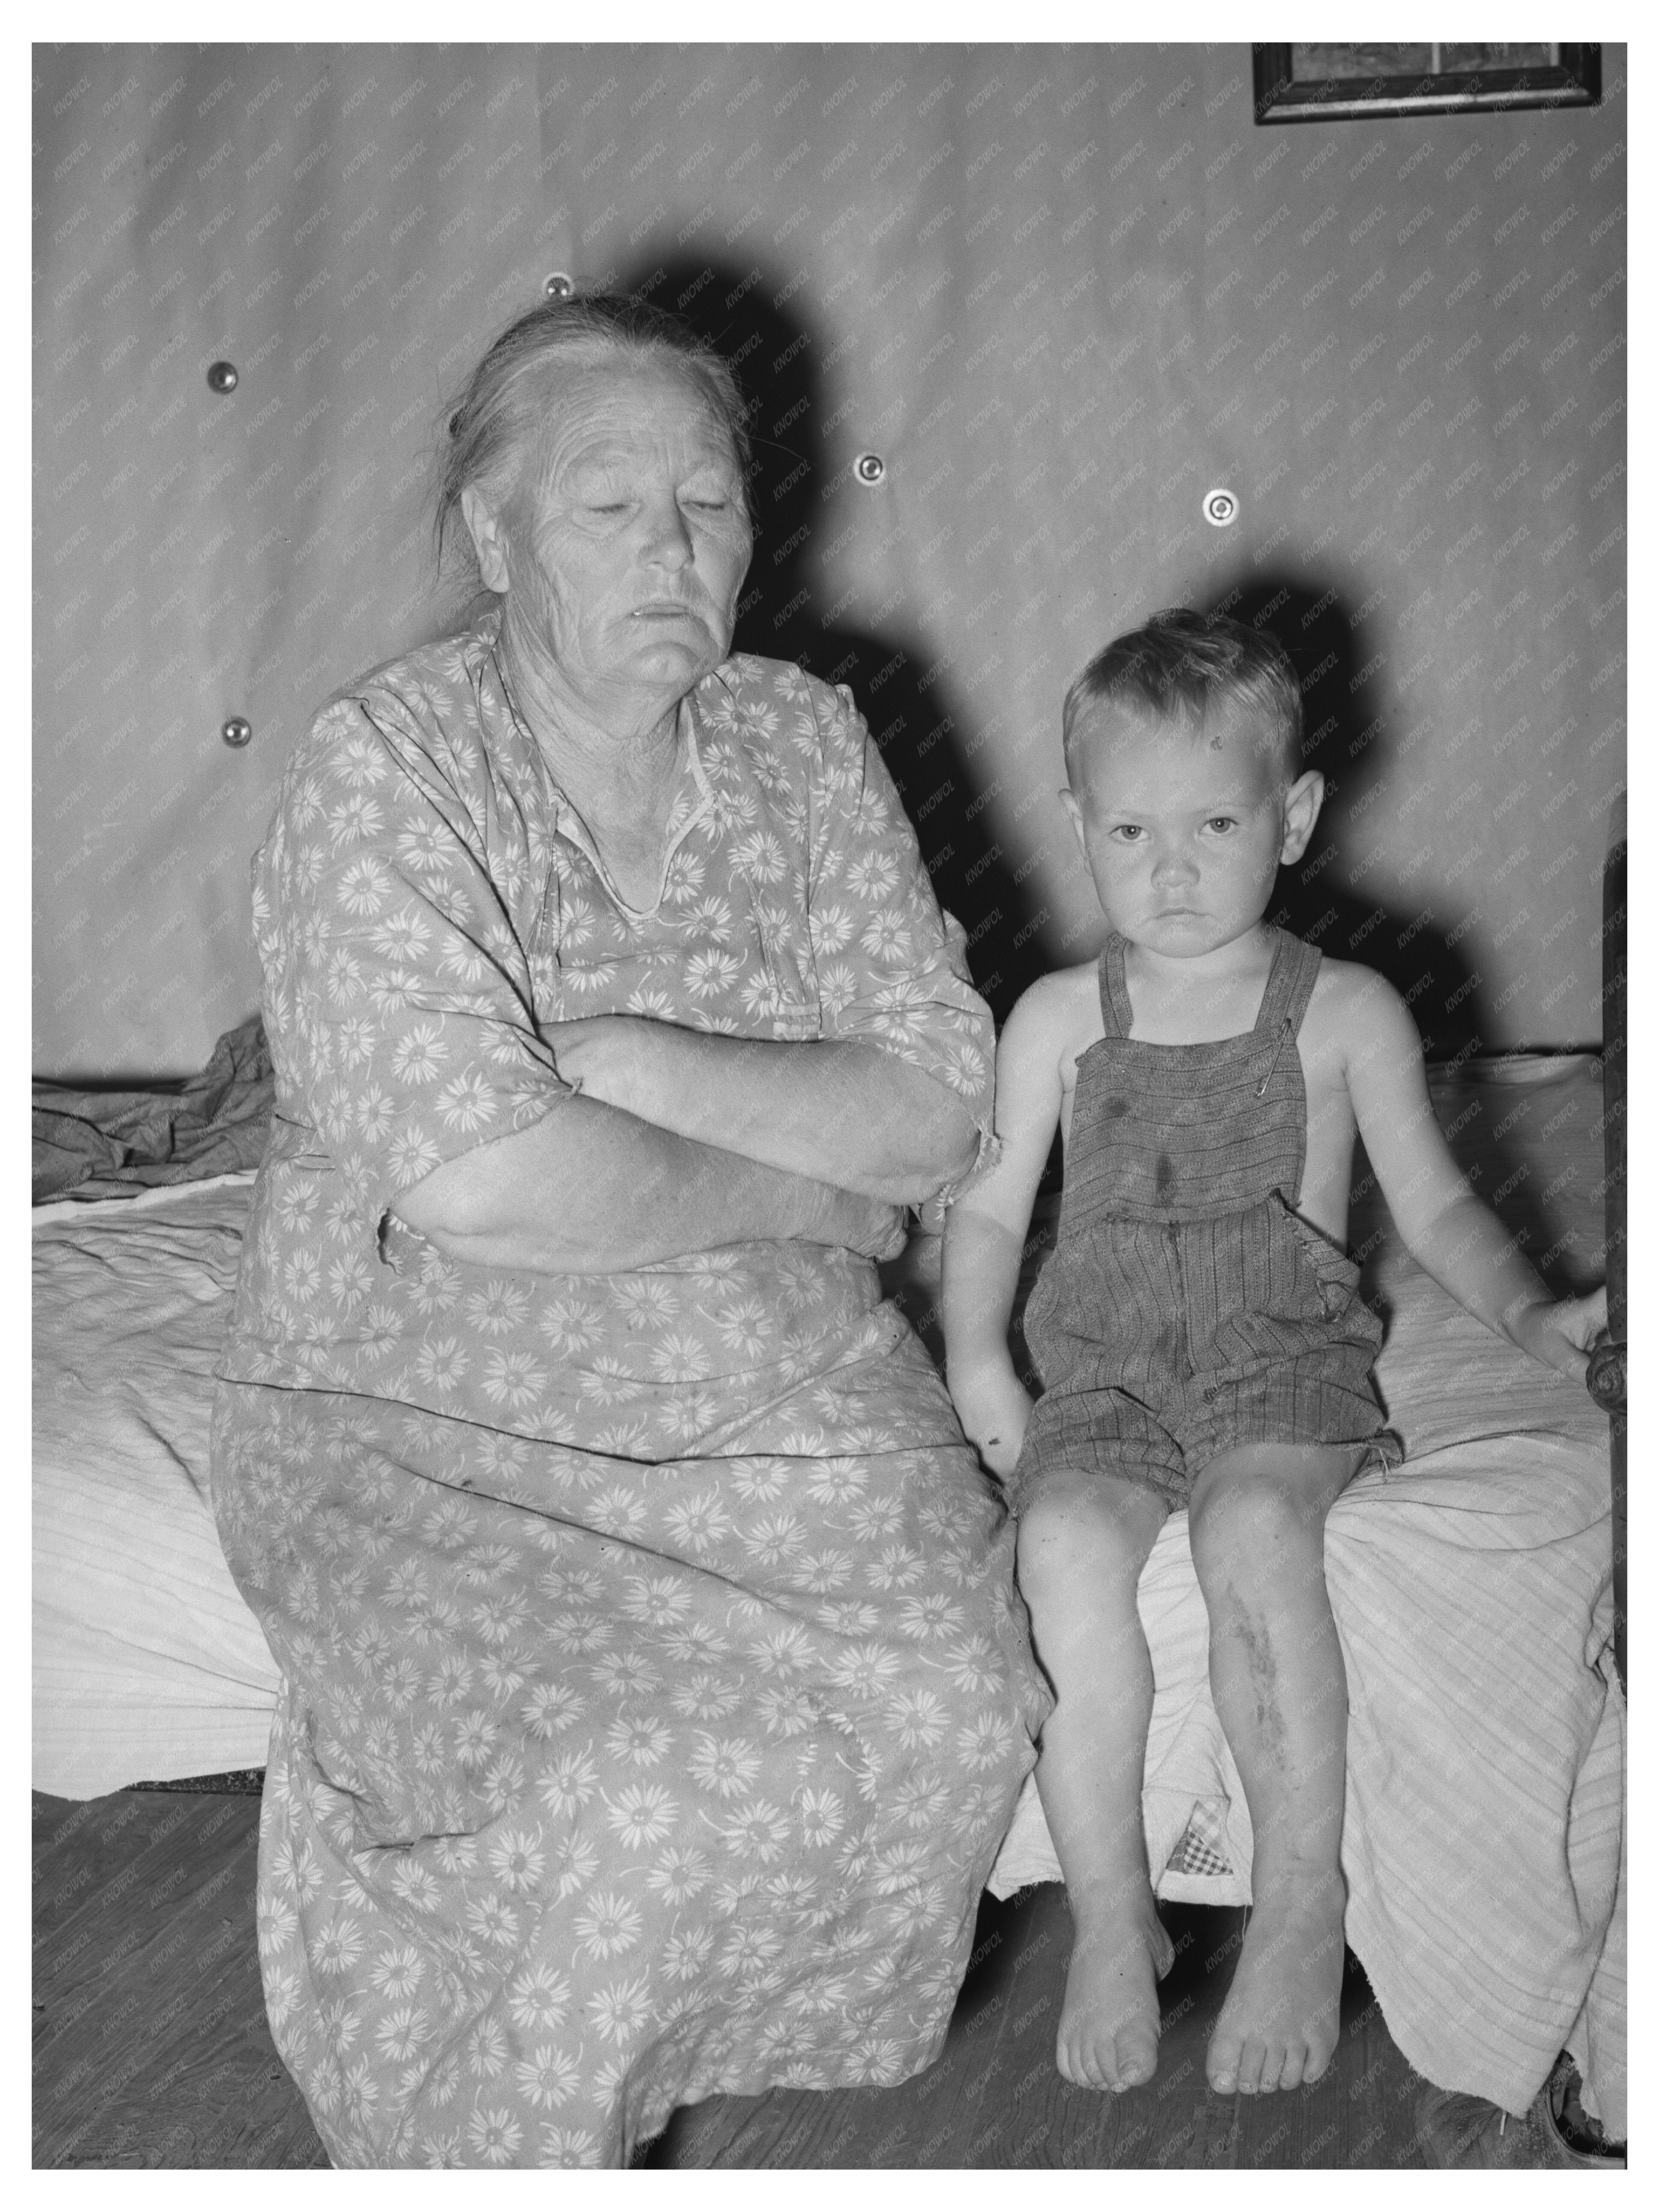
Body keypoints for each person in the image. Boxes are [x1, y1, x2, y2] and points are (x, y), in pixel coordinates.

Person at [210, 292, 1047, 2169]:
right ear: (498, 538)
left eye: (713, 502)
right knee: (623, 1797)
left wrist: (638, 1064)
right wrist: (810, 1182)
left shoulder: (805, 738)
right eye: (613, 508)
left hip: (783, 1387)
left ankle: (659, 2050)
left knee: (954, 1705)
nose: (681, 548)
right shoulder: (391, 764)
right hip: (428, 1407)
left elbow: (941, 1094)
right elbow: (481, 1178)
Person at [939, 608, 1606, 2101]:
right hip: (1106, 1366)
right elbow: (989, 1208)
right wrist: (981, 1349)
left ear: (1293, 817)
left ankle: (1302, 1899)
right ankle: (1115, 1904)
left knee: (1251, 1524)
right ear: (1077, 825)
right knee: (1056, 1548)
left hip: (1278, 1356)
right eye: (1129, 829)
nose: (1169, 868)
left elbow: (1434, 1201)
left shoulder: (1343, 1010)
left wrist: (1526, 1315)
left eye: (1215, 822)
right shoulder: (1054, 1018)